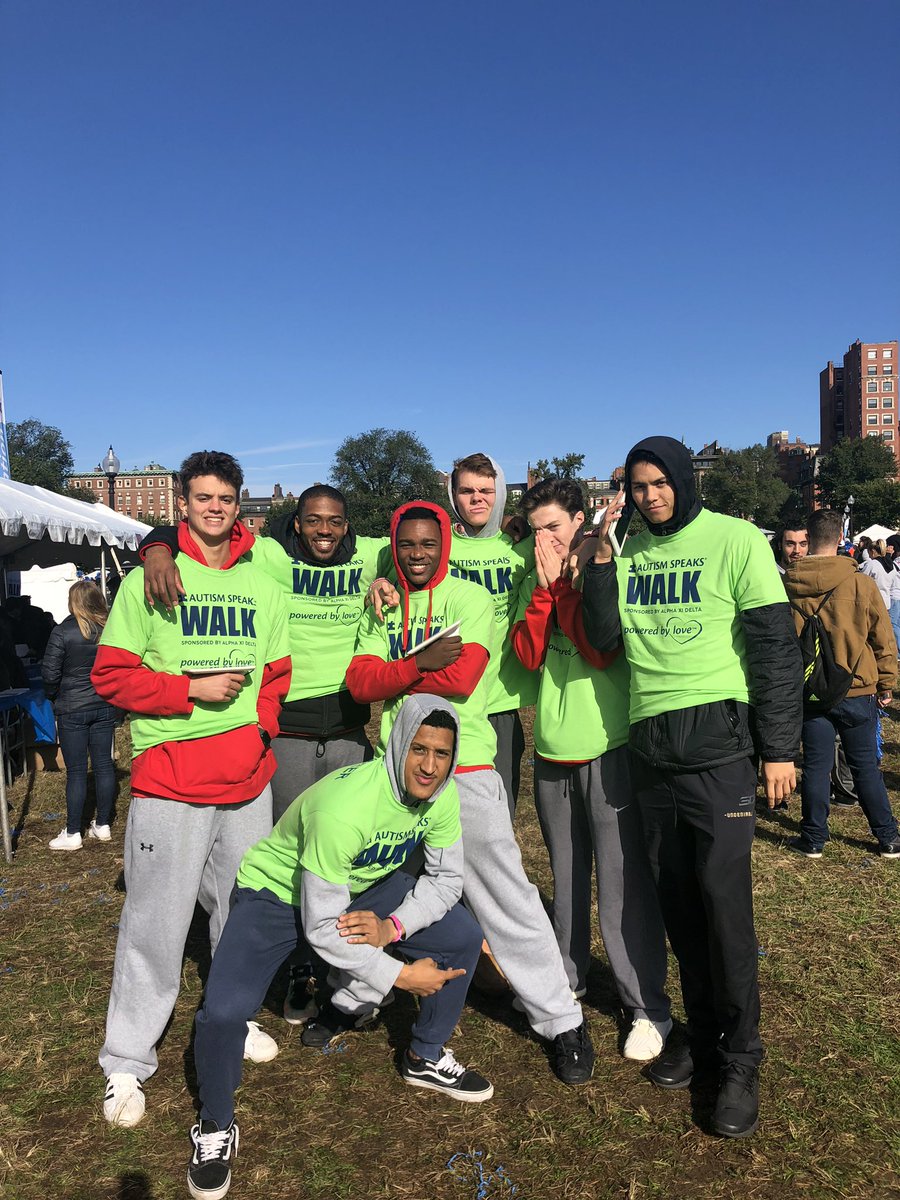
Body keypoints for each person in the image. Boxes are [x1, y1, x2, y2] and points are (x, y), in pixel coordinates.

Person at [580, 435, 802, 1139]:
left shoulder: (735, 540)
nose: (649, 496)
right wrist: (601, 566)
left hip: (720, 751)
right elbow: (606, 637)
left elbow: (773, 649)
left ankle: (740, 1058)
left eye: (658, 483)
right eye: (638, 486)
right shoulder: (631, 551)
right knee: (676, 901)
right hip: (651, 753)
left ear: (681, 479)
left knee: (723, 904)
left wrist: (779, 750)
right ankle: (700, 1035)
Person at [185, 695, 491, 1200]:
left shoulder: (443, 795)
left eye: (441, 753)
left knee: (460, 936)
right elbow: (322, 925)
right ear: (397, 746)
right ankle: (215, 1125)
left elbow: (445, 881)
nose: (430, 766)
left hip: (362, 886)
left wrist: (392, 928)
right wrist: (399, 975)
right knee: (224, 1011)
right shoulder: (345, 809)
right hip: (277, 892)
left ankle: (426, 1056)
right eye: (419, 750)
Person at [346, 501, 595, 1084]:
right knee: (380, 890)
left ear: (444, 546)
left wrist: (397, 670)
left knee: (506, 896)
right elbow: (359, 683)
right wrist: (420, 662)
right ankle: (356, 996)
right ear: (394, 544)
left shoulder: (469, 599)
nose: (416, 553)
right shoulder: (380, 601)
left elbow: (460, 678)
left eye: (427, 544)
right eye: (406, 543)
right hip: (395, 777)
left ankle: (561, 1019)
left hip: (465, 768)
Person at [137, 483, 393, 1025]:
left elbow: (424, 545)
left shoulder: (370, 552)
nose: (325, 530)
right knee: (288, 862)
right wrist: (156, 545)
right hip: (289, 735)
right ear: (296, 523)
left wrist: (386, 580)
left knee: (348, 859)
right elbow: (208, 531)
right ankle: (299, 969)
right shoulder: (272, 554)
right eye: (314, 520)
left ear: (347, 525)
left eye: (335, 521)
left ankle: (348, 970)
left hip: (348, 731)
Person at [91, 451, 292, 1128]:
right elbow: (112, 677)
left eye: (225, 498)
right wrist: (188, 692)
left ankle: (231, 1020)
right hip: (170, 779)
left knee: (242, 916)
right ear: (182, 504)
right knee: (157, 922)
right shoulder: (152, 578)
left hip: (246, 781)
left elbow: (278, 672)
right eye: (202, 497)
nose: (214, 508)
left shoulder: (262, 584)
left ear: (239, 505)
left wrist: (262, 733)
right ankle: (126, 1061)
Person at [512, 478, 672, 1062]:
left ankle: (645, 1005)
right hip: (553, 749)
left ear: (581, 522)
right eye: (535, 531)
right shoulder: (540, 577)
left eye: (553, 527)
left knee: (622, 883)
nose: (544, 540)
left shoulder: (613, 568)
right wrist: (543, 590)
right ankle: (568, 982)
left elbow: (602, 647)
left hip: (610, 747)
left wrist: (568, 589)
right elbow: (528, 656)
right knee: (568, 878)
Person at [782, 509, 900, 860]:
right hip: (857, 685)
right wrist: (887, 682)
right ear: (839, 539)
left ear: (809, 539)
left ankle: (814, 838)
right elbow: (883, 638)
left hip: (810, 689)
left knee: (816, 766)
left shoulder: (788, 584)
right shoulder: (860, 583)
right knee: (865, 766)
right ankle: (888, 837)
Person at [445, 453, 538, 815]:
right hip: (449, 696)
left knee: (499, 812)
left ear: (499, 493)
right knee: (439, 813)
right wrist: (380, 583)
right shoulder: (436, 546)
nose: (477, 498)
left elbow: (568, 534)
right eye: (467, 490)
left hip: (499, 701)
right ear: (453, 495)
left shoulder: (519, 546)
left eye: (486, 490)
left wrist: (523, 523)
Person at [42, 581, 121, 850]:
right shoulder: (110, 629)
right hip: (103, 703)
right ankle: (103, 825)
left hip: (72, 707)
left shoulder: (62, 632)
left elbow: (50, 673)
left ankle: (73, 831)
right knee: (103, 765)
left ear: (72, 601)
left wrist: (54, 696)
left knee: (76, 771)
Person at [858, 538, 893, 610]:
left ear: (873, 551)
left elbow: (861, 580)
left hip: (875, 601)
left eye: (868, 552)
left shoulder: (872, 564)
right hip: (886, 601)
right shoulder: (891, 565)